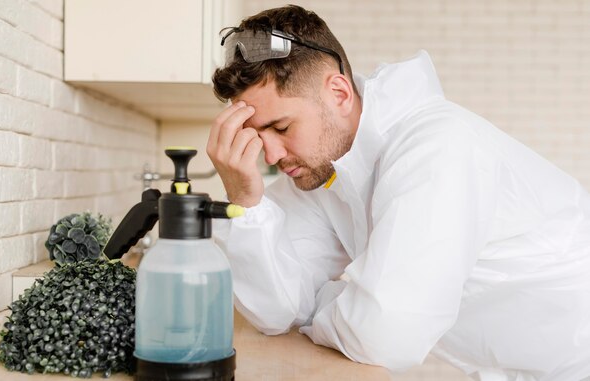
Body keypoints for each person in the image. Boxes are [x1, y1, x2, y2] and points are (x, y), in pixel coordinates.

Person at [207, 5, 590, 381]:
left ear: (338, 93)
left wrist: (321, 306)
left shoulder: (437, 147)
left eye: (282, 127)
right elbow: (277, 313)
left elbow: (387, 335)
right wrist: (246, 202)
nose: (270, 156)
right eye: (257, 137)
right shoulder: (323, 169)